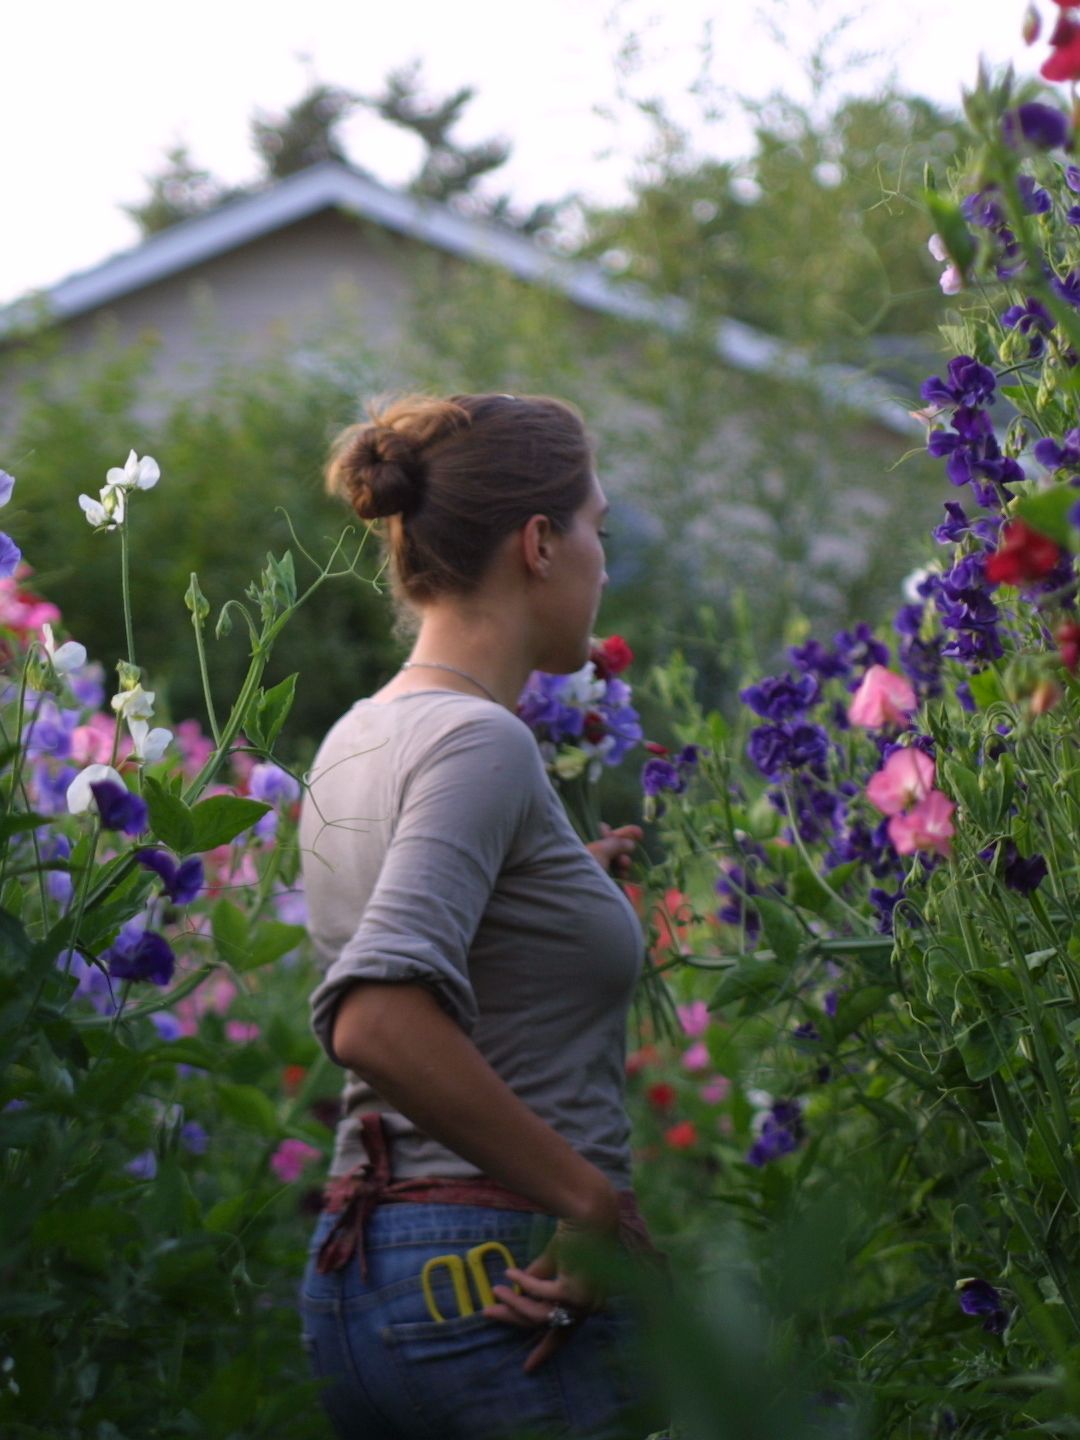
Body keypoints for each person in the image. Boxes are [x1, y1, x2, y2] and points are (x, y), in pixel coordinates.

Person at [297, 393, 651, 1440]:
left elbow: (436, 940)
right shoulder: (479, 742)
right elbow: (377, 1018)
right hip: (497, 1279)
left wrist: (559, 884)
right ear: (539, 543)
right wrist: (589, 1204)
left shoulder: (356, 736)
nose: (600, 556)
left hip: (371, 1279)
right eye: (597, 527)